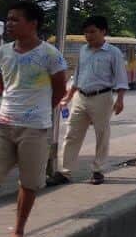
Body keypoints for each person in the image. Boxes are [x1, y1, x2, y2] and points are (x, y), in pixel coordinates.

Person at [0, 1, 68, 237]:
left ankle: (18, 232)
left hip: (35, 129)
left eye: (15, 19)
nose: (9, 23)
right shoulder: (2, 53)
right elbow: (3, 84)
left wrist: (40, 113)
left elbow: (59, 90)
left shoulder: (50, 55)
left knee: (29, 183)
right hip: (3, 126)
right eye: (8, 19)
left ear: (33, 24)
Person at [47, 15, 128, 188]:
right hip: (80, 97)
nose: (89, 36)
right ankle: (64, 171)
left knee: (102, 134)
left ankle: (98, 170)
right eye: (86, 33)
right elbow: (78, 75)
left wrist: (120, 99)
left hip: (102, 97)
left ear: (103, 32)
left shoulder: (113, 53)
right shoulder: (84, 50)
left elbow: (121, 78)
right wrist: (69, 96)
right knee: (72, 134)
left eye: (93, 32)